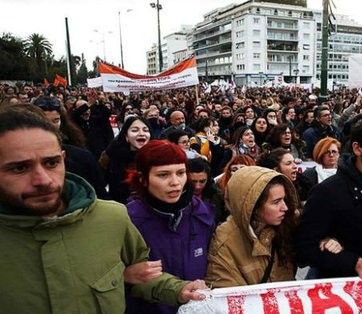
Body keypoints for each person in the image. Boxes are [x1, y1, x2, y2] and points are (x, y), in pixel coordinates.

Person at [0, 107, 207, 313]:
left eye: (51, 163)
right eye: (20, 168)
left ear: (64, 158)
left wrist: (180, 290)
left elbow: (144, 274)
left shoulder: (111, 217)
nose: (43, 180)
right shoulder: (132, 212)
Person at [294, 119, 362, 284]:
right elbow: (304, 248)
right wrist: (355, 263)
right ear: (358, 148)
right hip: (345, 293)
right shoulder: (328, 192)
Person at [125, 140, 215, 314]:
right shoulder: (128, 220)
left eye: (180, 173)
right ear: (143, 179)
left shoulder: (203, 213)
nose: (175, 182)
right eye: (163, 175)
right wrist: (124, 276)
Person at [205, 166, 298, 287]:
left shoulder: (283, 229)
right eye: (276, 202)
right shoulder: (225, 243)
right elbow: (229, 296)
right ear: (253, 206)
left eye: (284, 200)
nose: (285, 207)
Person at [99, 117, 151, 204]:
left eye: (146, 130)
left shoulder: (158, 156)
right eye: (135, 130)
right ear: (126, 136)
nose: (141, 134)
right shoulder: (111, 153)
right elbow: (99, 182)